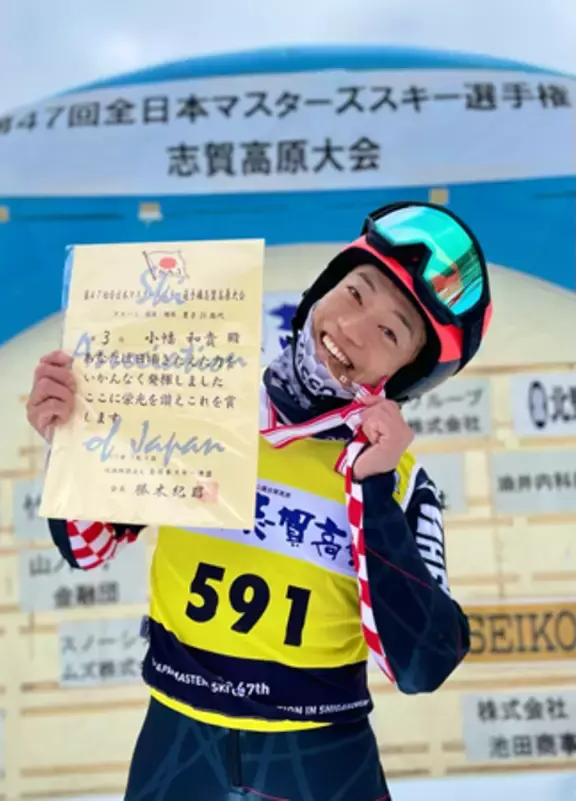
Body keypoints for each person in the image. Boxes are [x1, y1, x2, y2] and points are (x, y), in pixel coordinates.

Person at [26, 201, 493, 801]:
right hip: (178, 732)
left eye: (390, 332)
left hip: (321, 753)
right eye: (354, 293)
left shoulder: (398, 480)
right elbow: (86, 547)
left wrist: (372, 492)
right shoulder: (202, 403)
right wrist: (70, 437)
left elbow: (424, 665)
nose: (353, 327)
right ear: (321, 290)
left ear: (407, 374)